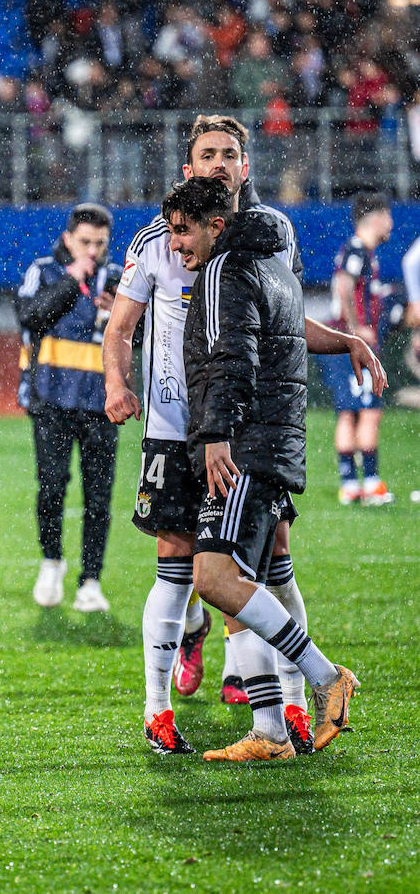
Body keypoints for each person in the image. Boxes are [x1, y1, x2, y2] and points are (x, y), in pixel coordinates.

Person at [104, 115, 385, 755]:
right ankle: (163, 709)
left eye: (232, 153)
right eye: (210, 154)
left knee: (249, 567)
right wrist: (116, 385)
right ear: (189, 168)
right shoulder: (160, 240)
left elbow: (270, 326)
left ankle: (289, 705)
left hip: (234, 432)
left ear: (246, 165)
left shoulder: (260, 240)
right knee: (189, 567)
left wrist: (340, 340)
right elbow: (120, 328)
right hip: (182, 429)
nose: (222, 164)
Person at [165, 175, 357, 762]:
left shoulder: (224, 271)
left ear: (215, 225)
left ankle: (326, 678)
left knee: (214, 579)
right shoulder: (272, 261)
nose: (177, 247)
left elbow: (232, 358)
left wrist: (217, 433)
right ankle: (271, 732)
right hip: (275, 441)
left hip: (246, 446)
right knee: (248, 584)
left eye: (182, 232)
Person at [16, 203, 122, 614]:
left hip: (102, 403)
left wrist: (121, 316)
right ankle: (51, 561)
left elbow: (143, 335)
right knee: (52, 487)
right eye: (84, 242)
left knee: (99, 499)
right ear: (68, 239)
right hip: (51, 401)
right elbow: (29, 315)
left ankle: (91, 581)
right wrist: (70, 278)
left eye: (99, 243)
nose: (92, 251)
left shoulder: (118, 278)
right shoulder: (43, 270)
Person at [317, 192, 394, 506]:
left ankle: (350, 484)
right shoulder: (358, 250)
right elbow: (343, 286)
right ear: (375, 218)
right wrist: (355, 329)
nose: (391, 222)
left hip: (341, 345)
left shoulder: (357, 251)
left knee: (348, 412)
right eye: (387, 216)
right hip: (353, 344)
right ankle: (371, 483)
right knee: (370, 412)